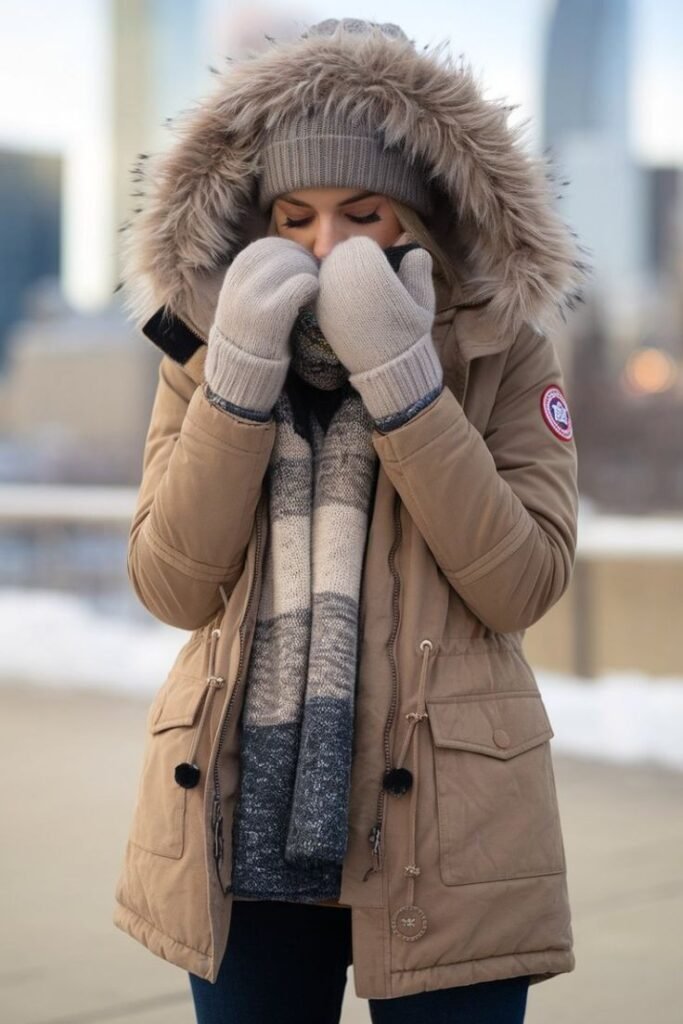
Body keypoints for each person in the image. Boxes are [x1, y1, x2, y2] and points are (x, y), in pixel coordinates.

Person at [112, 17, 588, 1024]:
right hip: (241, 823)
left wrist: (405, 382)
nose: (324, 248)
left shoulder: (501, 351)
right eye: (293, 218)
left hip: (446, 835)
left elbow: (521, 582)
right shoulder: (201, 350)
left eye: (361, 213)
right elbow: (169, 584)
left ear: (416, 219)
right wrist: (236, 382)